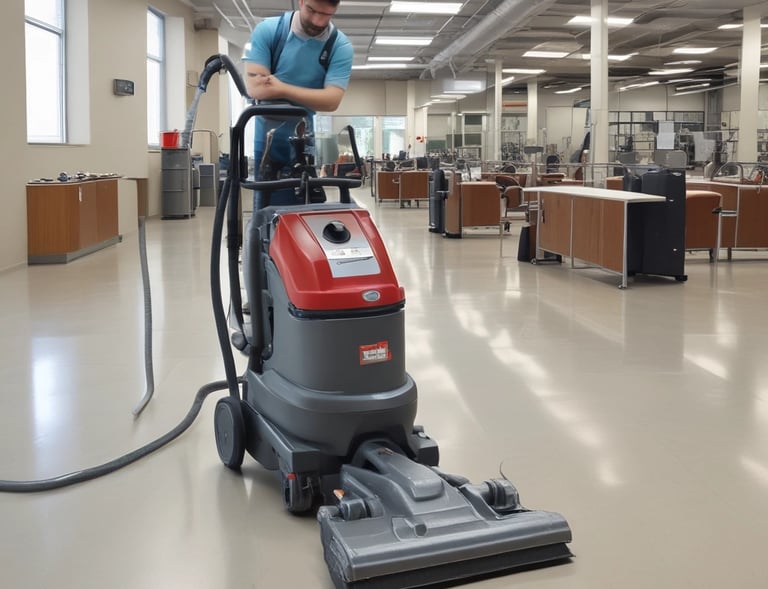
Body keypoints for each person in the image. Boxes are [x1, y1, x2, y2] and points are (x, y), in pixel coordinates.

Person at [242, 0, 354, 207]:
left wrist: (281, 88)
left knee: (301, 210)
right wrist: (313, 96)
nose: (317, 20)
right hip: (266, 141)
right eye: (311, 10)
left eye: (326, 14)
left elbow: (331, 101)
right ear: (301, 1)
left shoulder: (340, 45)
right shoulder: (269, 31)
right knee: (266, 213)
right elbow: (256, 89)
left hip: (304, 141)